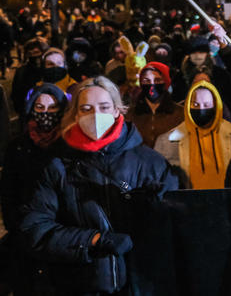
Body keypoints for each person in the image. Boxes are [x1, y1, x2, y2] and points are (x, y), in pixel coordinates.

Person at [19, 76, 177, 295]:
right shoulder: (58, 166)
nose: (96, 115)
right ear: (75, 114)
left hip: (141, 284)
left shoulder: (149, 161)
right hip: (80, 285)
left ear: (116, 110)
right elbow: (35, 230)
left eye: (104, 107)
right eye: (86, 108)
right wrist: (93, 240)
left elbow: (175, 228)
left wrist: (155, 209)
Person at [1, 84, 67, 295]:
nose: (46, 113)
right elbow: (8, 192)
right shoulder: (18, 147)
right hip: (25, 232)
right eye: (40, 107)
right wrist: (15, 225)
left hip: (62, 233)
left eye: (52, 107)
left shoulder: (69, 145)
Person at [154, 80, 231, 189]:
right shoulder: (167, 141)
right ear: (188, 106)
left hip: (227, 202)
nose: (201, 109)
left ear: (215, 105)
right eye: (195, 104)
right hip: (187, 203)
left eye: (206, 104)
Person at [125, 62, 184, 148]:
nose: (152, 85)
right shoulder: (130, 115)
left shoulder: (180, 113)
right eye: (146, 80)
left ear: (165, 82)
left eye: (157, 80)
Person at [10, 38, 47, 114]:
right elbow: (16, 94)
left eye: (36, 52)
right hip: (27, 112)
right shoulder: (21, 71)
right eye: (30, 53)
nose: (34, 56)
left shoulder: (48, 69)